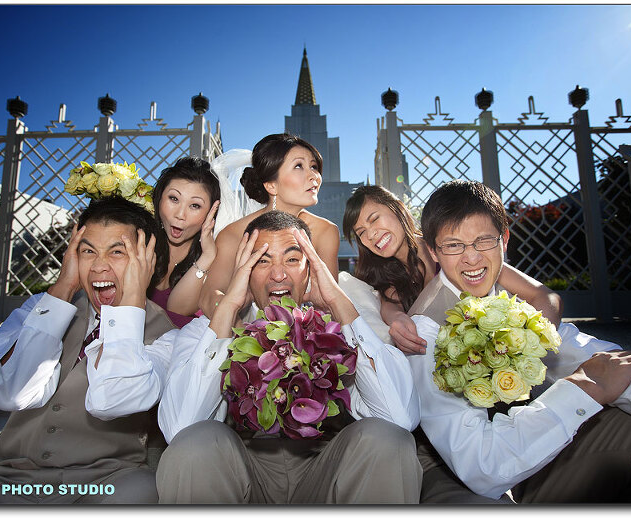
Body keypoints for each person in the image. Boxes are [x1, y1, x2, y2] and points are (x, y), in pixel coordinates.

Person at [111, 210, 421, 503]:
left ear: (311, 269)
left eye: (293, 259)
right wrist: (228, 310)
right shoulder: (205, 332)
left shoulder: (345, 325)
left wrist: (338, 303)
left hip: (327, 470)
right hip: (242, 473)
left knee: (389, 439)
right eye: (261, 261)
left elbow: (400, 418)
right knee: (194, 444)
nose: (278, 274)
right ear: (243, 270)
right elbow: (180, 428)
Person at [408, 179, 631, 503]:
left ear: (504, 240)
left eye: (484, 240)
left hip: (536, 455)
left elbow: (597, 358)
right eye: (454, 245)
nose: (472, 258)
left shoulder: (513, 298)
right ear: (434, 252)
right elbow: (480, 464)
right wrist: (586, 386)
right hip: (463, 473)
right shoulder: (425, 332)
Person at [0, 196, 176, 503]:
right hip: (11, 479)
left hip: (109, 481)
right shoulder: (38, 310)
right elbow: (9, 393)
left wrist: (130, 303)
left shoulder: (168, 336)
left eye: (117, 252)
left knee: (143, 494)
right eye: (87, 251)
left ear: (148, 260)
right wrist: (63, 288)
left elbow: (112, 400)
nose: (99, 266)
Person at [343, 184, 562, 355]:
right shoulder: (385, 277)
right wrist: (396, 319)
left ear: (398, 208)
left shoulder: (455, 250)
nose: (371, 234)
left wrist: (530, 346)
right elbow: (391, 306)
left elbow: (545, 296)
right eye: (361, 232)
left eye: (374, 219)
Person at [199, 133, 340, 319]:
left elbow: (328, 305)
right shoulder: (234, 234)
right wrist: (241, 328)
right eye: (299, 166)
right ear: (271, 186)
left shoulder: (325, 232)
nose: (314, 176)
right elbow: (209, 297)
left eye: (314, 166)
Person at [150, 156, 221, 328]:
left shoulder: (216, 263)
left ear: (211, 212)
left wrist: (207, 256)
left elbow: (177, 310)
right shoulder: (140, 245)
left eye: (195, 205)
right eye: (174, 199)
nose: (180, 214)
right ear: (159, 198)